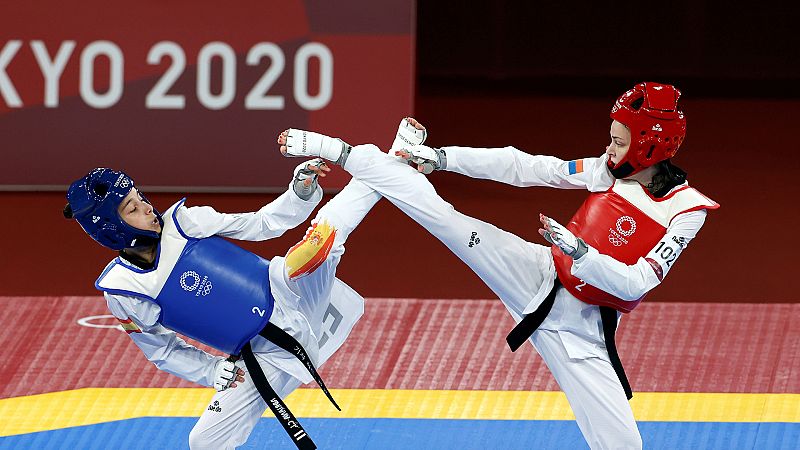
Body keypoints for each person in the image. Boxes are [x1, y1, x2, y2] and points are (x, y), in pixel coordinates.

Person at [278, 82, 719, 450]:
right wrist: (442, 158)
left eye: (619, 141)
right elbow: (524, 166)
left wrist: (582, 253)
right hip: (536, 273)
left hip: (585, 333)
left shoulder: (687, 211)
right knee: (445, 219)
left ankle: (389, 155)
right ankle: (342, 151)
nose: (609, 147)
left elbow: (637, 282)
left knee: (624, 445)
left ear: (649, 145)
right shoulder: (606, 170)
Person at [63, 120, 425, 450]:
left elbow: (263, 224)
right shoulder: (125, 291)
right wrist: (209, 370)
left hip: (293, 296)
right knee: (203, 442)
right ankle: (374, 180)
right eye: (131, 208)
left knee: (323, 240)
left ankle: (395, 157)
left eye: (139, 196)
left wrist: (298, 193)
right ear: (112, 228)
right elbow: (161, 350)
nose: (145, 206)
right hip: (263, 356)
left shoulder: (187, 222)